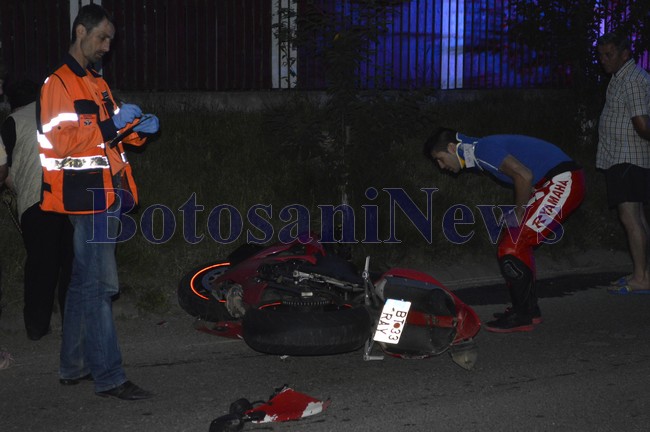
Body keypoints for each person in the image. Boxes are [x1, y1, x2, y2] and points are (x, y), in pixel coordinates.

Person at [37, 4, 159, 399]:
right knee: (100, 287)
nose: (107, 46)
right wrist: (113, 125)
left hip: (103, 194)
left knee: (82, 283)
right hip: (84, 196)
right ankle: (110, 376)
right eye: (102, 38)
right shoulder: (57, 83)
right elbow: (63, 142)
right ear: (80, 32)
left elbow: (112, 135)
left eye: (110, 39)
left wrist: (137, 127)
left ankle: (73, 366)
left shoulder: (96, 83)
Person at [424, 128, 585, 333]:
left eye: (440, 159)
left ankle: (523, 314)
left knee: (512, 247)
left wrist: (518, 212)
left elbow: (524, 176)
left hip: (563, 180)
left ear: (451, 147)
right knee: (512, 242)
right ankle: (527, 309)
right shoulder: (477, 150)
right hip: (555, 181)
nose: (441, 167)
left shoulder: (482, 149)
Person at [1, 80, 74, 341]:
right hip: (71, 200)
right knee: (71, 265)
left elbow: (3, 167)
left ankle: (36, 327)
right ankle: (73, 324)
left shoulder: (13, 121)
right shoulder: (60, 115)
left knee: (41, 267)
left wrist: (12, 185)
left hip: (37, 201)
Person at [596, 32, 650, 295]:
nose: (603, 60)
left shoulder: (631, 80)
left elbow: (642, 125)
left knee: (630, 218)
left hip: (628, 157)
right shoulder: (621, 77)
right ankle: (642, 272)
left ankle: (642, 277)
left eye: (609, 55)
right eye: (601, 55)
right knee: (636, 217)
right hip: (620, 156)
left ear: (625, 54)